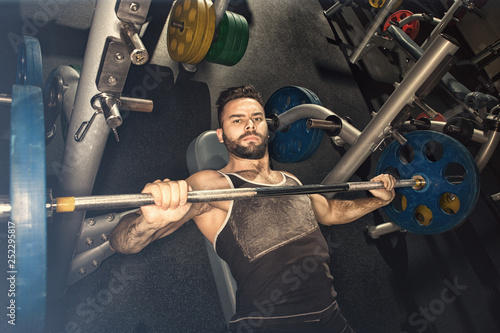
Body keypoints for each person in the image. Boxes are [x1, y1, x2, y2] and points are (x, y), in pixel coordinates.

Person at [110, 85, 396, 333]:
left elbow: (331, 213)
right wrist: (149, 222)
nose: (249, 125)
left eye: (256, 118)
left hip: (332, 317)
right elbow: (124, 243)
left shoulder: (292, 181)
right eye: (237, 120)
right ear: (221, 135)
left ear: (266, 129)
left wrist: (378, 200)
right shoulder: (212, 184)